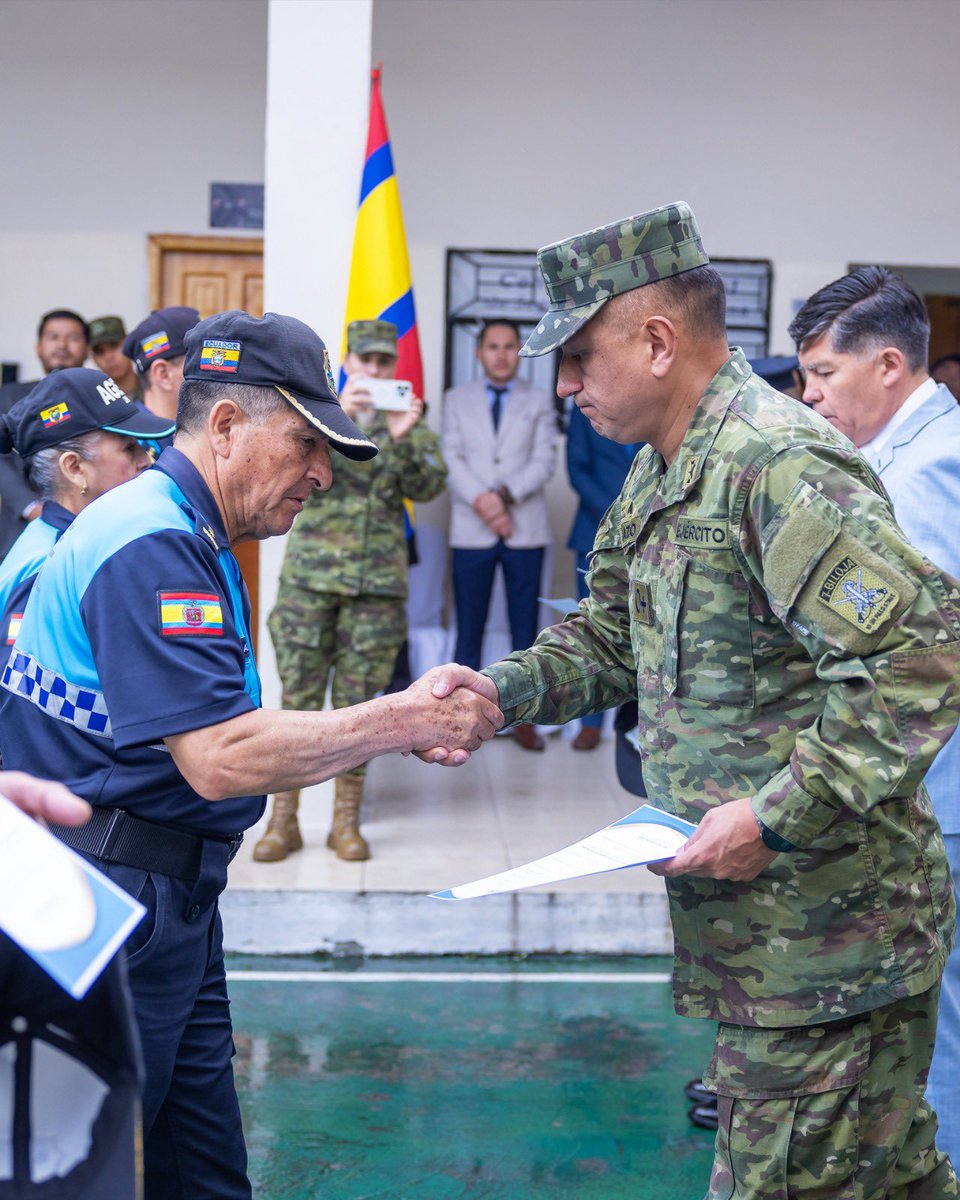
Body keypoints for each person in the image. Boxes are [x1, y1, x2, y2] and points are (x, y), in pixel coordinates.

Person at [425, 203, 960, 1198]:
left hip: (826, 941)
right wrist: (494, 697)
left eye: (581, 357)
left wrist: (772, 816)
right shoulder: (663, 468)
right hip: (761, 940)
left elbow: (917, 662)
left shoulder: (778, 462)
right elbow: (613, 633)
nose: (569, 386)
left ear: (659, 342)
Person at [0, 309, 501, 1200]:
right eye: (307, 444)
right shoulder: (152, 541)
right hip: (115, 907)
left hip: (162, 898)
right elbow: (222, 757)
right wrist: (404, 719)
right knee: (90, 1177)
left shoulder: (186, 527)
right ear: (226, 425)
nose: (320, 475)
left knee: (202, 1175)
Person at [790, 265, 960, 1171]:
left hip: (940, 798)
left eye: (822, 375)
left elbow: (916, 662)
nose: (810, 396)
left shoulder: (926, 472)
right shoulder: (903, 455)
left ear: (888, 364)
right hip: (928, 789)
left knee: (942, 1033)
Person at [257, 318, 448, 863]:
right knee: (296, 703)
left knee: (361, 707)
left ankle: (346, 821)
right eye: (365, 361)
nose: (375, 370)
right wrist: (347, 423)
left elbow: (430, 486)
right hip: (311, 584)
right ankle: (284, 821)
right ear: (347, 363)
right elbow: (294, 472)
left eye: (385, 363)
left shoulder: (409, 425)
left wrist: (405, 438)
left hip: (376, 587)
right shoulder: (319, 419)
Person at [442, 318, 557, 751]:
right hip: (471, 529)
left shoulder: (539, 399)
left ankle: (523, 718)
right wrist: (486, 506)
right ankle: (458, 719)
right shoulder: (456, 400)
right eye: (493, 346)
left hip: (524, 529)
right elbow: (451, 458)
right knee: (468, 627)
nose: (502, 354)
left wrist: (504, 497)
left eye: (510, 346)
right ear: (480, 353)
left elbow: (545, 460)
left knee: (524, 629)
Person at [0, 368, 175, 643]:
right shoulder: (42, 569)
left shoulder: (93, 541)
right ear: (75, 468)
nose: (146, 460)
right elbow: (22, 684)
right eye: (129, 448)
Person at [565, 403, 640, 750]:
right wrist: (618, 514)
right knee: (592, 624)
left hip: (650, 527)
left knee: (643, 623)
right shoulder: (582, 409)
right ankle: (590, 723)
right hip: (595, 529)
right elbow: (577, 470)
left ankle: (636, 719)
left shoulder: (652, 402)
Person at [0, 308, 90, 560]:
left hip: (84, 527)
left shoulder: (96, 400)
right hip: (19, 528)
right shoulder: (7, 397)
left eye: (72, 337)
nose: (62, 345)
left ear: (86, 349)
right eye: (53, 337)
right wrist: (31, 507)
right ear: (39, 347)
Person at [122, 305, 200, 445]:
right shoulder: (133, 445)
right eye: (199, 363)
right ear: (164, 374)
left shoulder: (188, 432)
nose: (213, 373)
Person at [89, 315, 143, 401]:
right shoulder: (93, 403)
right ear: (93, 358)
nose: (108, 356)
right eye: (99, 351)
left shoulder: (155, 388)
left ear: (129, 345)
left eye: (114, 346)